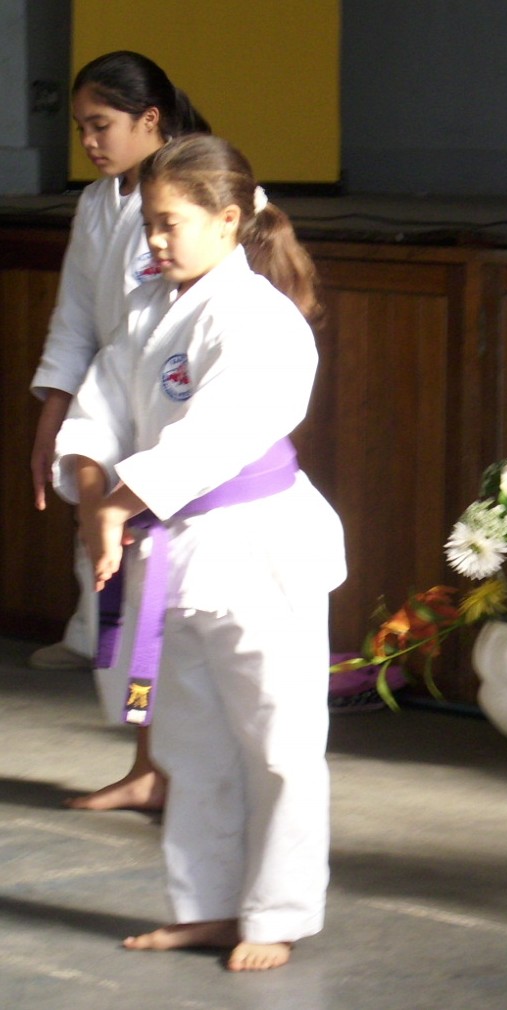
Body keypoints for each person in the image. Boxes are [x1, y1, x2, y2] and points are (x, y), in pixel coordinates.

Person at [53, 134, 345, 971]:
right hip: (174, 553)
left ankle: (277, 914)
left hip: (258, 549)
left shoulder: (262, 319)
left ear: (227, 221)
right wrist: (92, 493)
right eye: (148, 222)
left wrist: (119, 502)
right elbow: (99, 408)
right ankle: (209, 907)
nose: (152, 240)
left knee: (280, 743)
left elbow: (219, 434)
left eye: (168, 223)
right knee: (191, 744)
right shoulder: (150, 308)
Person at [29, 50, 210, 812]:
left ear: (150, 120)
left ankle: (184, 766)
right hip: (113, 405)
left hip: (180, 411)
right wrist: (53, 418)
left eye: (101, 125)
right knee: (135, 602)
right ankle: (148, 763)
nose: (90, 142)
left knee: (174, 602)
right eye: (80, 128)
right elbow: (76, 319)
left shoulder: (207, 194)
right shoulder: (99, 203)